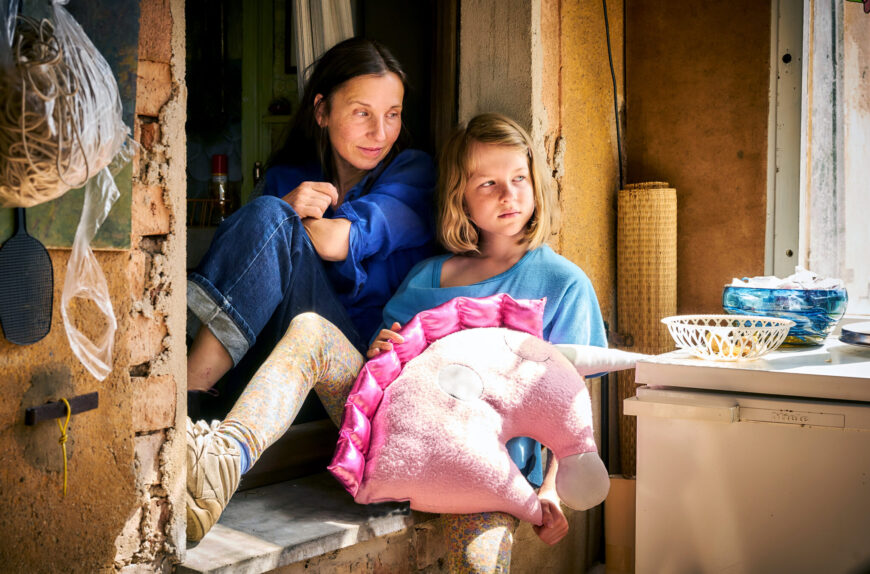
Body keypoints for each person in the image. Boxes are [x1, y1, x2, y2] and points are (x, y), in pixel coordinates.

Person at [186, 112, 605, 574]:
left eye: (519, 178)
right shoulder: (429, 274)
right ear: (460, 197)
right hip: (396, 443)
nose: (509, 195)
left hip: (486, 479)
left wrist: (550, 490)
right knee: (310, 329)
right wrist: (380, 350)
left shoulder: (564, 283)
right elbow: (382, 374)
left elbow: (574, 404)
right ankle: (222, 462)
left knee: (479, 566)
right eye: (488, 183)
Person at [185, 37, 436, 402]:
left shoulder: (414, 173)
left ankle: (187, 393)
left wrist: (277, 220)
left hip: (353, 365)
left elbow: (337, 241)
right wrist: (281, 208)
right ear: (322, 111)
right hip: (267, 359)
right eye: (362, 112)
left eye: (392, 114)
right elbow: (235, 263)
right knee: (268, 213)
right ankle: (198, 391)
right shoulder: (286, 178)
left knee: (269, 215)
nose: (380, 133)